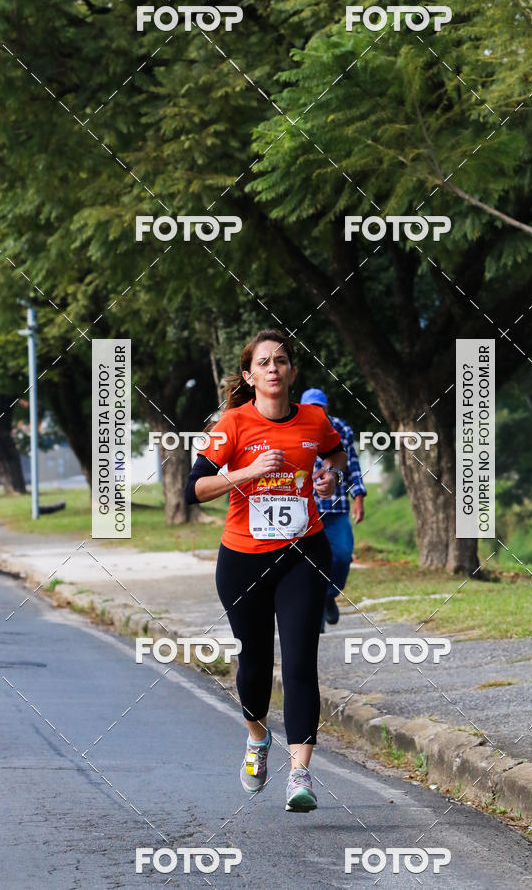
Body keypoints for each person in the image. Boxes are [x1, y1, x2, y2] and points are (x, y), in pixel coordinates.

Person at [184, 329, 347, 812]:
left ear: (292, 372)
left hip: (303, 553)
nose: (273, 369)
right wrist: (246, 473)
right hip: (243, 561)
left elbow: (334, 451)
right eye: (264, 363)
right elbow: (195, 487)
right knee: (254, 663)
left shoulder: (314, 420)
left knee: (299, 661)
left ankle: (301, 774)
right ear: (249, 376)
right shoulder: (232, 424)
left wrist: (330, 472)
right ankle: (258, 737)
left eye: (281, 361)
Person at [300, 389, 367, 631]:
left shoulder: (341, 429)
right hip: (304, 511)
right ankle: (314, 621)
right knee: (309, 565)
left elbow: (352, 465)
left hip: (336, 509)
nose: (317, 413)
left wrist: (358, 496)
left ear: (327, 409)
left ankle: (329, 595)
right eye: (312, 408)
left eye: (321, 408)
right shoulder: (295, 427)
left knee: (341, 556)